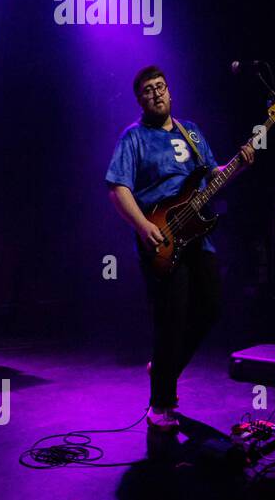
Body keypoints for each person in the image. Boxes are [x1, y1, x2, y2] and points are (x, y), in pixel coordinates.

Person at [105, 65, 253, 429]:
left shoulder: (192, 132)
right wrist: (141, 226)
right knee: (171, 319)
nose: (156, 93)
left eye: (160, 87)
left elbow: (210, 176)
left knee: (211, 308)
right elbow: (117, 187)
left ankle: (163, 368)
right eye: (147, 90)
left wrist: (238, 166)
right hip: (162, 235)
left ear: (170, 92)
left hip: (198, 235)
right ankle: (161, 404)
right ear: (140, 99)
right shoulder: (134, 137)